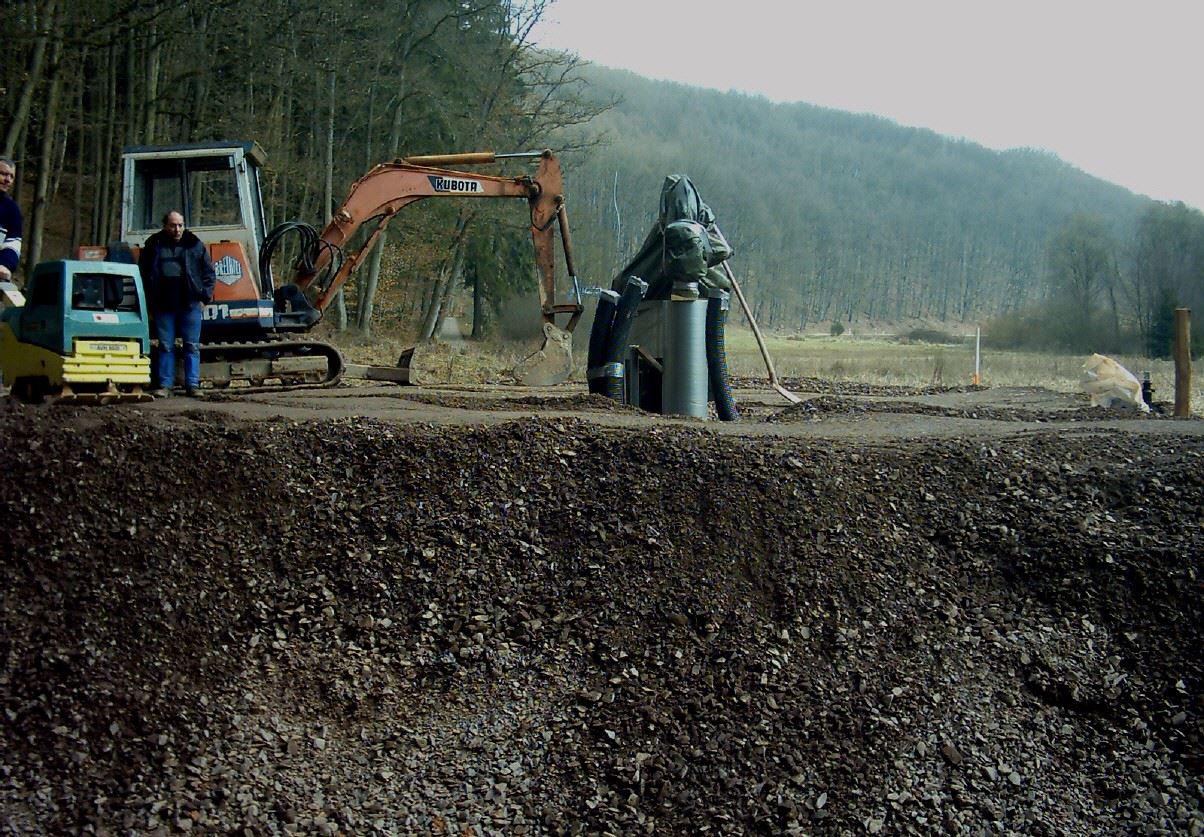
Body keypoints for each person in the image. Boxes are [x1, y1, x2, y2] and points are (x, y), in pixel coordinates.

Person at [138, 211, 215, 397]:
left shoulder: (194, 244)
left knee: (192, 345)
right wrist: (149, 301)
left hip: (190, 303)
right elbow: (143, 274)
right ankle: (165, 385)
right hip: (163, 304)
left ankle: (193, 385)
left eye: (180, 225)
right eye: (173, 225)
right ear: (165, 226)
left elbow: (209, 273)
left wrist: (204, 298)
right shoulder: (153, 245)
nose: (177, 229)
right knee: (165, 345)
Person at [0, 157, 22, 283]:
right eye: (3, 174)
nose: (8, 180)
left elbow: (13, 244)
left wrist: (5, 264)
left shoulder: (12, 210)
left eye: (11, 176)